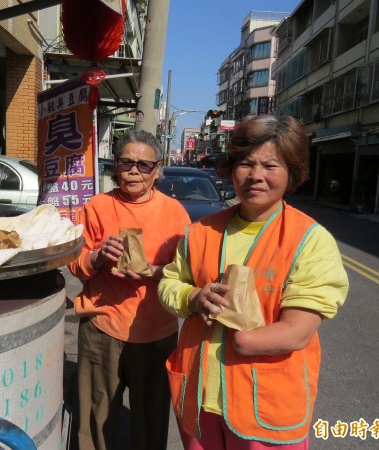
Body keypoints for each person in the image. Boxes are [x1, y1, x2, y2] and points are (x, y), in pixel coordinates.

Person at [158, 115, 349, 450]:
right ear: (232, 169)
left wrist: (244, 340)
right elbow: (169, 284)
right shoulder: (199, 232)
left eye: (271, 165)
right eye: (246, 163)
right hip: (200, 401)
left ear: (292, 174)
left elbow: (298, 330)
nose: (256, 175)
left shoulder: (309, 240)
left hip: (265, 409)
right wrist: (192, 298)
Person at [68, 130, 191, 450]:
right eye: (126, 162)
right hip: (102, 327)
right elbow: (75, 264)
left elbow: (188, 274)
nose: (134, 170)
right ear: (116, 167)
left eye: (143, 165)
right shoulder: (97, 206)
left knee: (150, 421)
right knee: (96, 417)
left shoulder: (174, 212)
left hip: (155, 332)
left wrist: (152, 272)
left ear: (157, 170)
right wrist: (96, 257)